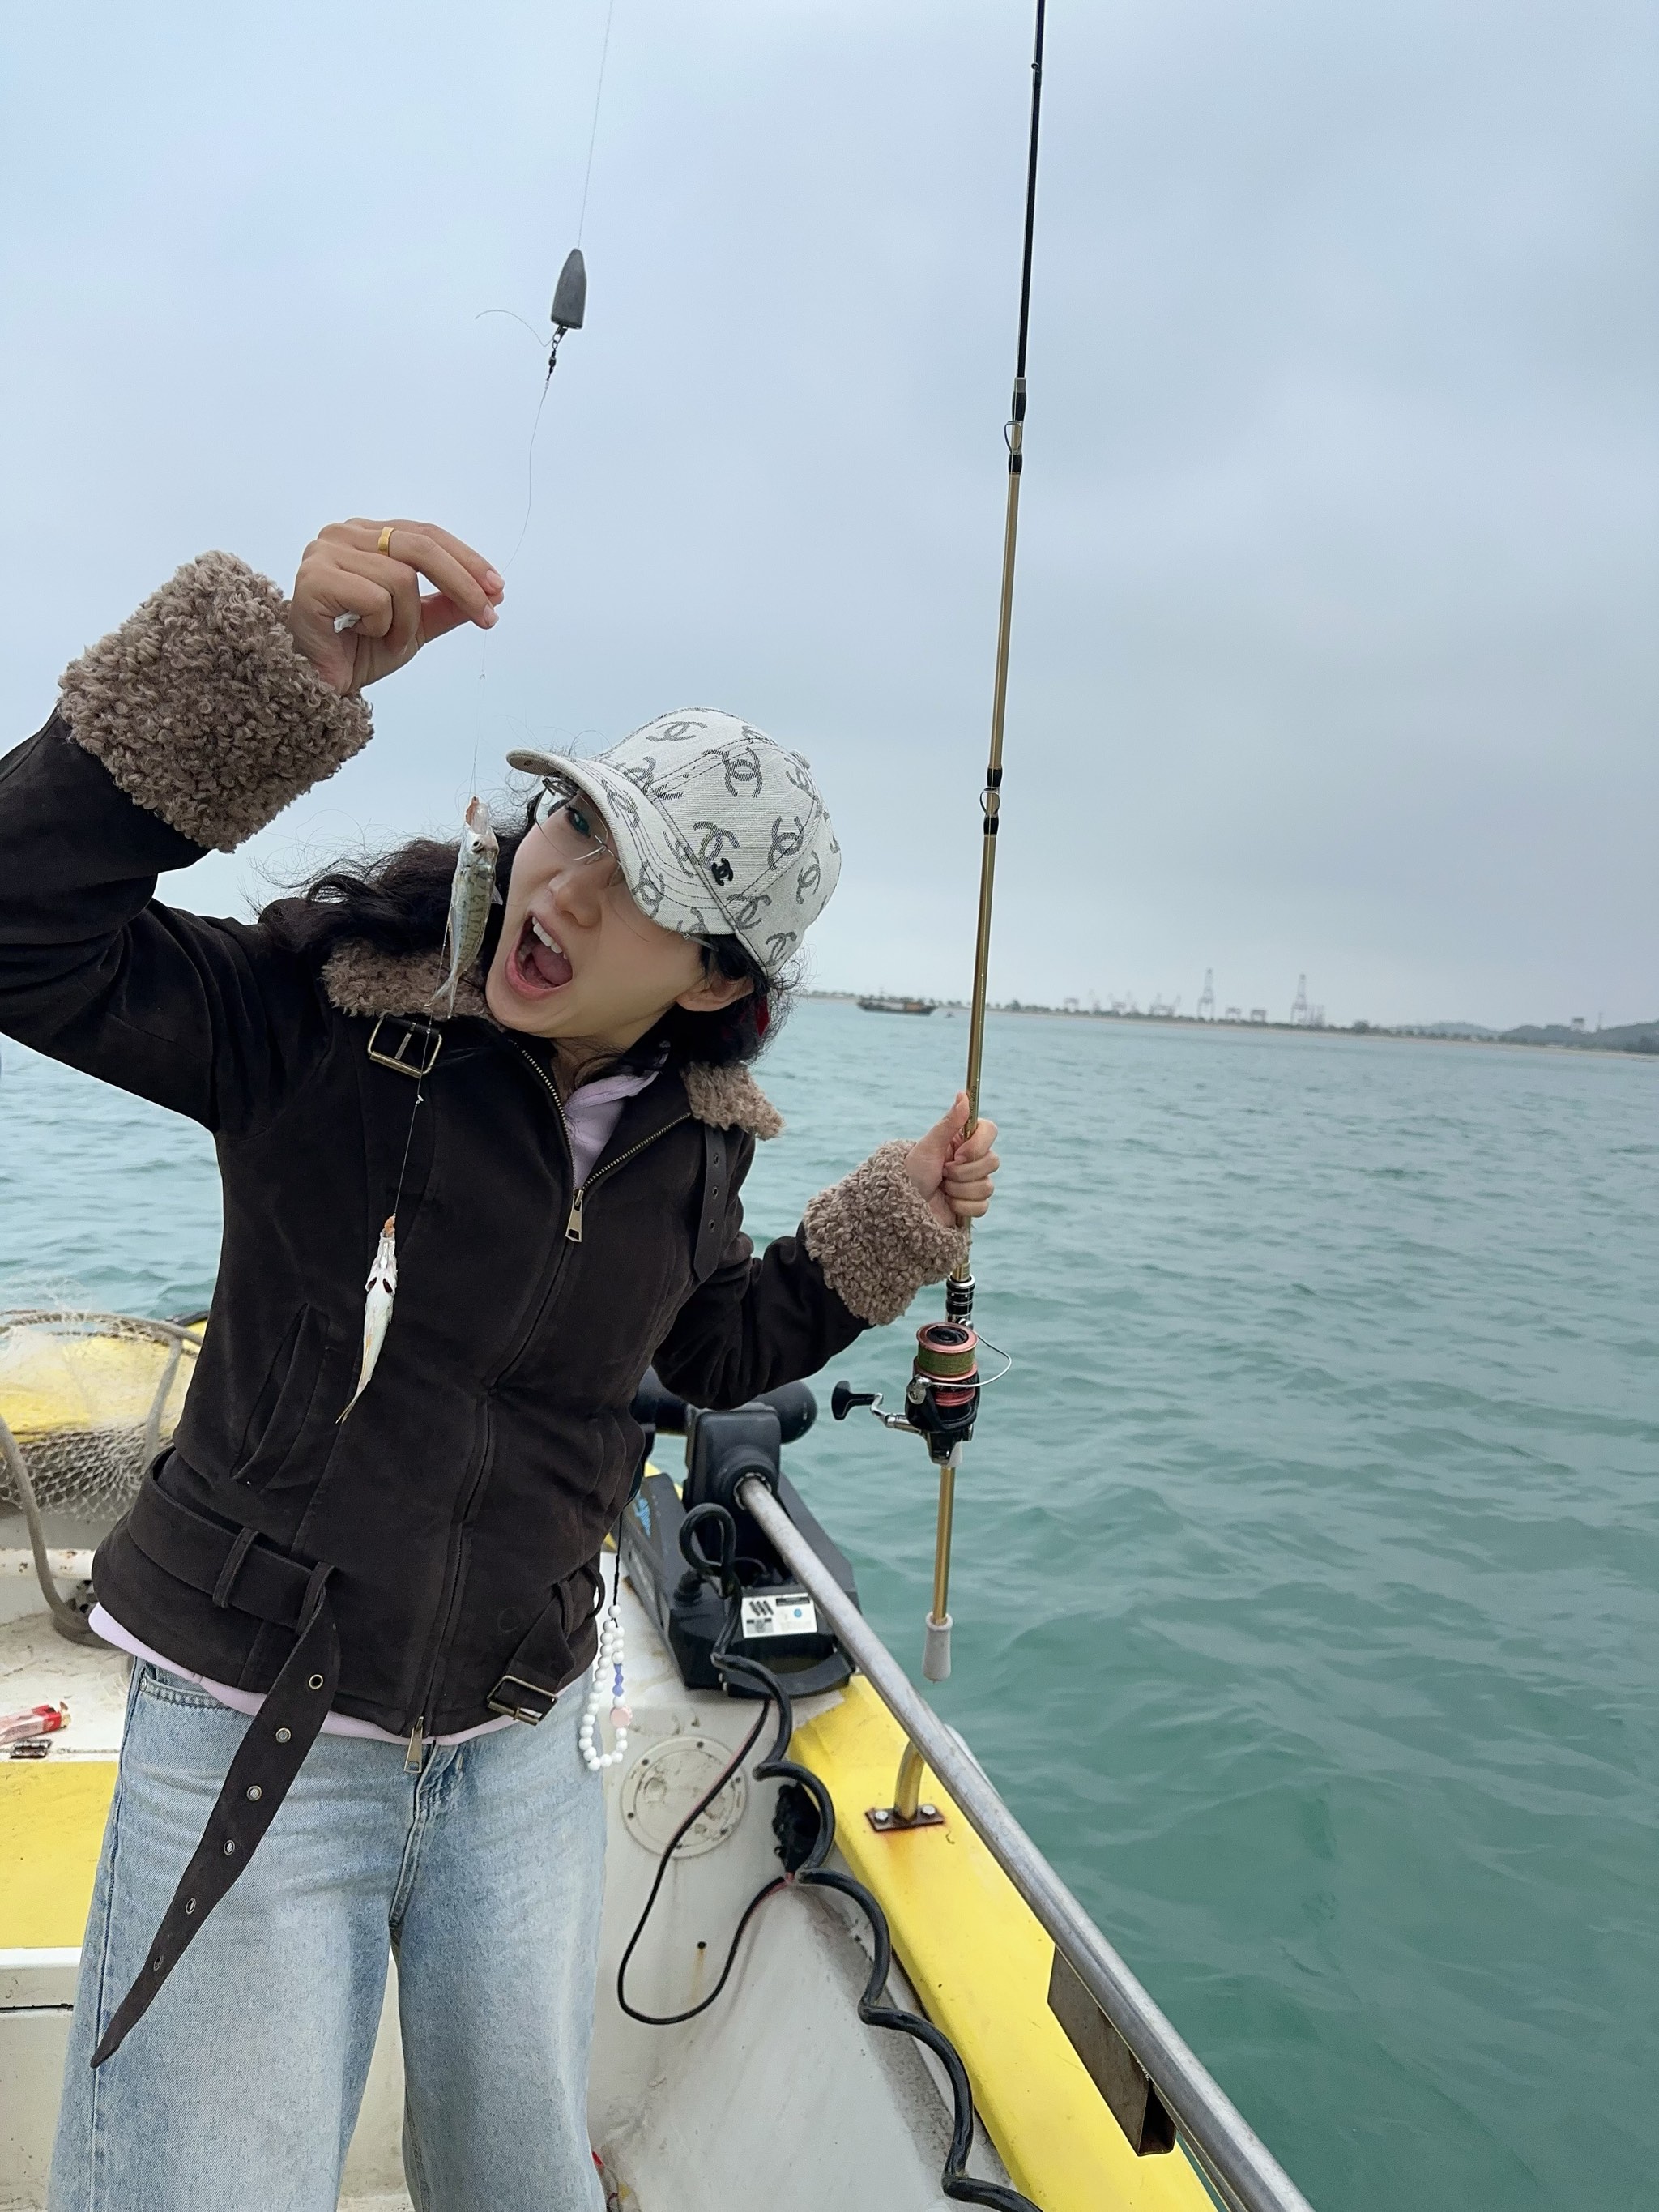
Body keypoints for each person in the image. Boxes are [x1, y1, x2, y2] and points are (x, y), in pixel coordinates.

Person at [0, 517, 1000, 2212]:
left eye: (651, 894)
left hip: (525, 1736)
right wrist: (277, 678)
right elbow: (24, 923)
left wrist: (884, 1232)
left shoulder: (692, 1140)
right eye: (578, 823)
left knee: (519, 2186)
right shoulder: (319, 1021)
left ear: (713, 982)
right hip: (262, 1721)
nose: (568, 887)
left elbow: (689, 1357)